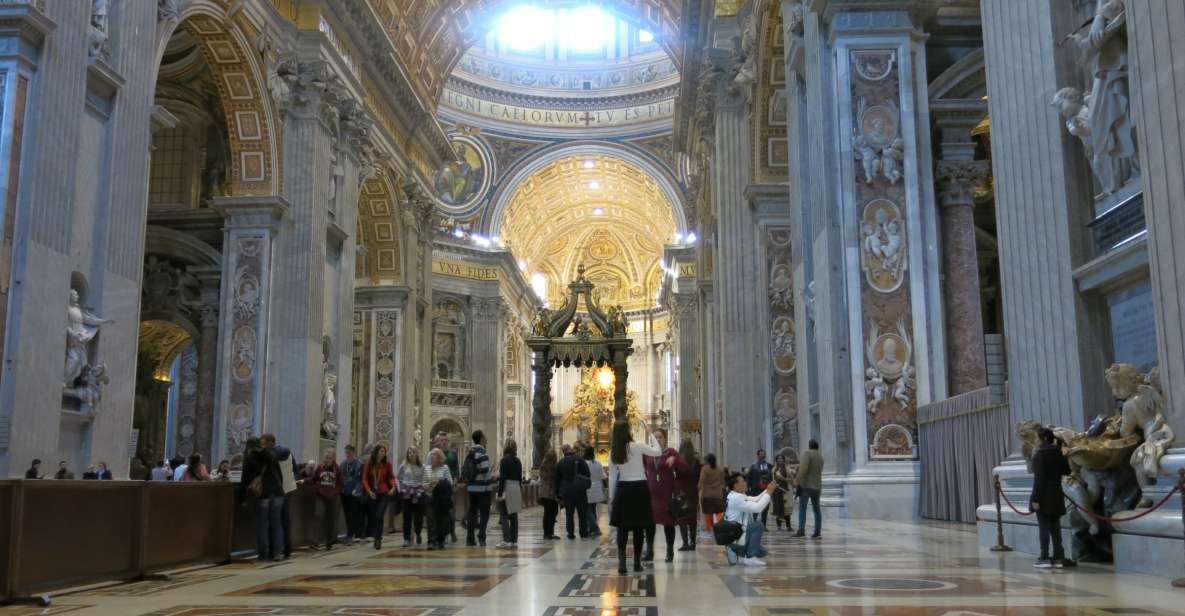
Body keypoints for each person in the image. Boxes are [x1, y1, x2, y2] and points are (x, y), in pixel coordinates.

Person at [609, 420, 663, 574]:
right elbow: (658, 451)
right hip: (639, 488)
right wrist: (650, 433)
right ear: (628, 432)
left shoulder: (614, 451)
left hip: (623, 489)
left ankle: (622, 563)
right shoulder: (638, 446)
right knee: (639, 527)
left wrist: (612, 498)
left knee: (622, 528)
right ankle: (637, 562)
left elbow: (613, 477)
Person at [1030, 427, 1072, 568]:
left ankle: (1044, 556)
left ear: (1044, 438)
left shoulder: (1039, 455)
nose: (1035, 441)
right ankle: (1059, 555)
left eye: (1036, 438)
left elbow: (1039, 479)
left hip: (1043, 496)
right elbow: (1067, 470)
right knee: (1055, 527)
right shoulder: (1057, 453)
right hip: (1056, 494)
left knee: (1044, 527)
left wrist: (1035, 499)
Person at [644, 427, 687, 562]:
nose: (657, 439)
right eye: (655, 437)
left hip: (667, 493)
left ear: (665, 439)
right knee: (649, 524)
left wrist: (675, 459)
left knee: (668, 524)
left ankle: (670, 551)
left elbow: (684, 466)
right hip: (651, 494)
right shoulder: (648, 454)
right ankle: (650, 551)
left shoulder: (670, 452)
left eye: (660, 437)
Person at [240, 437, 284, 561]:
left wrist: (242, 497)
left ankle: (263, 553)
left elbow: (245, 479)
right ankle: (276, 553)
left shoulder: (250, 458)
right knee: (276, 524)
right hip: (277, 491)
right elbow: (279, 473)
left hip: (263, 493)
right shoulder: (270, 454)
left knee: (263, 525)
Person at [724, 472, 777, 566]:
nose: (745, 482)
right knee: (758, 525)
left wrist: (767, 489)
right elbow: (757, 508)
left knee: (762, 552)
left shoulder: (735, 495)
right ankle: (749, 557)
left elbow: (755, 499)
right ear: (736, 485)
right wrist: (769, 493)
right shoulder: (736, 498)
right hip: (736, 536)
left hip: (735, 535)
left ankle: (737, 553)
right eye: (743, 481)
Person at [303, 449, 343, 550]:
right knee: (318, 515)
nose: (327, 460)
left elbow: (341, 484)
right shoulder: (320, 468)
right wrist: (304, 481)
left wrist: (335, 492)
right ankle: (314, 541)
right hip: (320, 496)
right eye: (326, 458)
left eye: (329, 458)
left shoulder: (337, 469)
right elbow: (313, 479)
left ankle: (329, 541)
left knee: (330, 519)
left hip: (332, 497)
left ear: (333, 459)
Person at [362, 443, 396, 549]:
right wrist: (368, 491)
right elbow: (364, 479)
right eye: (381, 451)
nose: (382, 453)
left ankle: (378, 539)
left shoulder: (387, 464)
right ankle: (376, 536)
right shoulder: (369, 463)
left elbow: (391, 477)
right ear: (376, 452)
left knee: (380, 515)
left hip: (384, 493)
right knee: (374, 517)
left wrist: (393, 487)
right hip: (372, 494)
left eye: (384, 451)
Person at [463, 430, 493, 547]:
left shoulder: (469, 453)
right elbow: (485, 469)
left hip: (471, 487)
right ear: (481, 438)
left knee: (472, 512)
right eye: (485, 437)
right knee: (484, 513)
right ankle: (481, 537)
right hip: (482, 488)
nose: (486, 439)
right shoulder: (482, 453)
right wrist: (492, 477)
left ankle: (470, 539)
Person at [557, 443, 591, 540]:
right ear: (571, 449)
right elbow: (587, 474)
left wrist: (558, 494)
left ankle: (570, 534)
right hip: (580, 490)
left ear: (563, 452)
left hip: (567, 491)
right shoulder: (580, 460)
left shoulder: (561, 462)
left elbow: (557, 479)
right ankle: (583, 533)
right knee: (582, 513)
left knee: (569, 514)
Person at [424, 447, 454, 550]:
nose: (432, 456)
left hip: (441, 498)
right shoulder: (426, 468)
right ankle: (431, 541)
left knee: (441, 520)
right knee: (431, 519)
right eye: (431, 454)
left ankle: (440, 540)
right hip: (430, 497)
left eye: (435, 455)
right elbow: (423, 482)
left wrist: (439, 482)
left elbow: (450, 482)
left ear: (440, 457)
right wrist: (428, 485)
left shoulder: (445, 468)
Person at [496, 439, 523, 548]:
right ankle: (514, 540)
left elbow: (502, 478)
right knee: (513, 515)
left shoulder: (504, 460)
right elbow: (520, 478)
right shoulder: (518, 461)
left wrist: (499, 493)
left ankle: (506, 540)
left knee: (503, 514)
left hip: (507, 486)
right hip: (516, 486)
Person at [397, 446, 426, 547]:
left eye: (414, 452)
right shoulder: (404, 466)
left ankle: (418, 532)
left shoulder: (422, 466)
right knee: (407, 517)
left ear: (417, 454)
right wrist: (402, 487)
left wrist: (421, 487)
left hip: (418, 493)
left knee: (418, 516)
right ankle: (406, 538)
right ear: (407, 454)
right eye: (410, 453)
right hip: (407, 493)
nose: (412, 454)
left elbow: (424, 478)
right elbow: (399, 477)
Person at [794, 439, 823, 539]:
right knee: (817, 509)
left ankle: (801, 530)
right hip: (817, 486)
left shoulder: (807, 454)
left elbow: (803, 469)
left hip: (806, 486)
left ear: (809, 445)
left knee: (802, 508)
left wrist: (797, 480)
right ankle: (817, 531)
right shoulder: (820, 456)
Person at [675, 439, 701, 551]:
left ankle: (685, 542)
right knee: (692, 519)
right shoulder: (696, 462)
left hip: (682, 491)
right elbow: (698, 476)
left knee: (682, 518)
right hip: (693, 492)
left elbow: (676, 474)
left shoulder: (679, 461)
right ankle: (693, 543)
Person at [340, 445, 364, 544]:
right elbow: (341, 476)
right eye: (346, 453)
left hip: (355, 491)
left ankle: (354, 533)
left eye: (349, 453)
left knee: (354, 513)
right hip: (345, 491)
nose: (347, 455)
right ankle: (350, 532)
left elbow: (360, 479)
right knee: (347, 513)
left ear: (353, 453)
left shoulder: (359, 463)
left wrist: (357, 489)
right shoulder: (343, 464)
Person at [699, 453, 726, 538]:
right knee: (719, 513)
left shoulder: (705, 469)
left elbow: (701, 481)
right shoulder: (720, 469)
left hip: (707, 494)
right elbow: (723, 482)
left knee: (708, 513)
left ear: (707, 461)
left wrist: (698, 489)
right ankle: (720, 529)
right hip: (718, 494)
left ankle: (709, 530)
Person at [745, 449, 773, 529]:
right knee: (755, 507)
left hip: (766, 490)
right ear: (757, 455)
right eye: (760, 454)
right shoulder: (753, 466)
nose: (762, 456)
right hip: (755, 490)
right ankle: (753, 523)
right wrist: (748, 489)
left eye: (764, 454)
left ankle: (764, 525)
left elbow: (772, 478)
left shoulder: (769, 466)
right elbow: (749, 479)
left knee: (765, 508)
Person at [584, 445, 606, 538]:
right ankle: (591, 528)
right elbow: (603, 476)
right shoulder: (598, 463)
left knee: (587, 510)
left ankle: (595, 528)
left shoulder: (584, 463)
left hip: (587, 488)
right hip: (597, 487)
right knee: (592, 509)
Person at [538, 449, 560, 540]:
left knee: (547, 513)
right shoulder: (553, 466)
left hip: (543, 493)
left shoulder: (542, 465)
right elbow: (555, 479)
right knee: (552, 513)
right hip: (551, 493)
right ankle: (549, 533)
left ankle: (546, 533)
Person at [771, 454, 793, 530]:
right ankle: (779, 526)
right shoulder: (774, 469)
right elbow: (773, 480)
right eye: (778, 459)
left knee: (787, 509)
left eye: (781, 458)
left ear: (784, 460)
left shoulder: (788, 469)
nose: (780, 460)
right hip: (777, 490)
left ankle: (788, 526)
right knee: (778, 508)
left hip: (786, 491)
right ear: (776, 460)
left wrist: (782, 478)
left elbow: (791, 480)